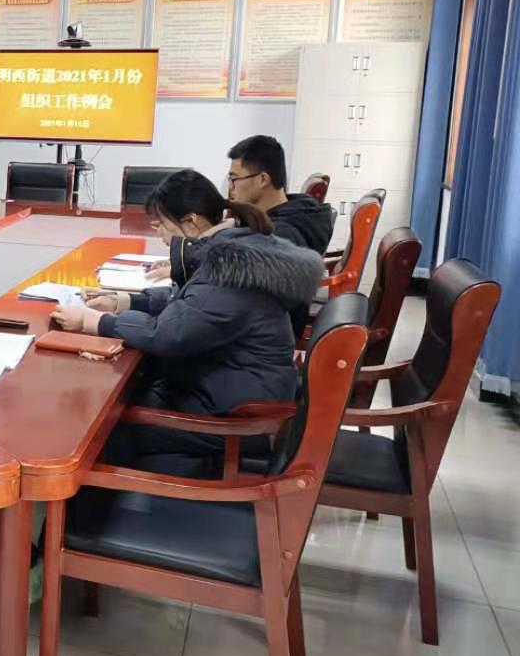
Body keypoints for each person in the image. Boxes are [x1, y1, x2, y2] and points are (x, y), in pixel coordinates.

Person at [52, 169, 322, 477]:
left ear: (191, 221)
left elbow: (168, 334)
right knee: (112, 397)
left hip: (239, 417)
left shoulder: (228, 269)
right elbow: (191, 301)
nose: (161, 235)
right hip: (234, 389)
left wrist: (98, 322)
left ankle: (89, 505)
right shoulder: (237, 248)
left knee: (98, 423)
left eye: (162, 224)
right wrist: (125, 301)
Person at [224, 135, 333, 254]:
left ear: (263, 180)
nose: (230, 187)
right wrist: (234, 224)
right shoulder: (294, 216)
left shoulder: (279, 238)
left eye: (234, 179)